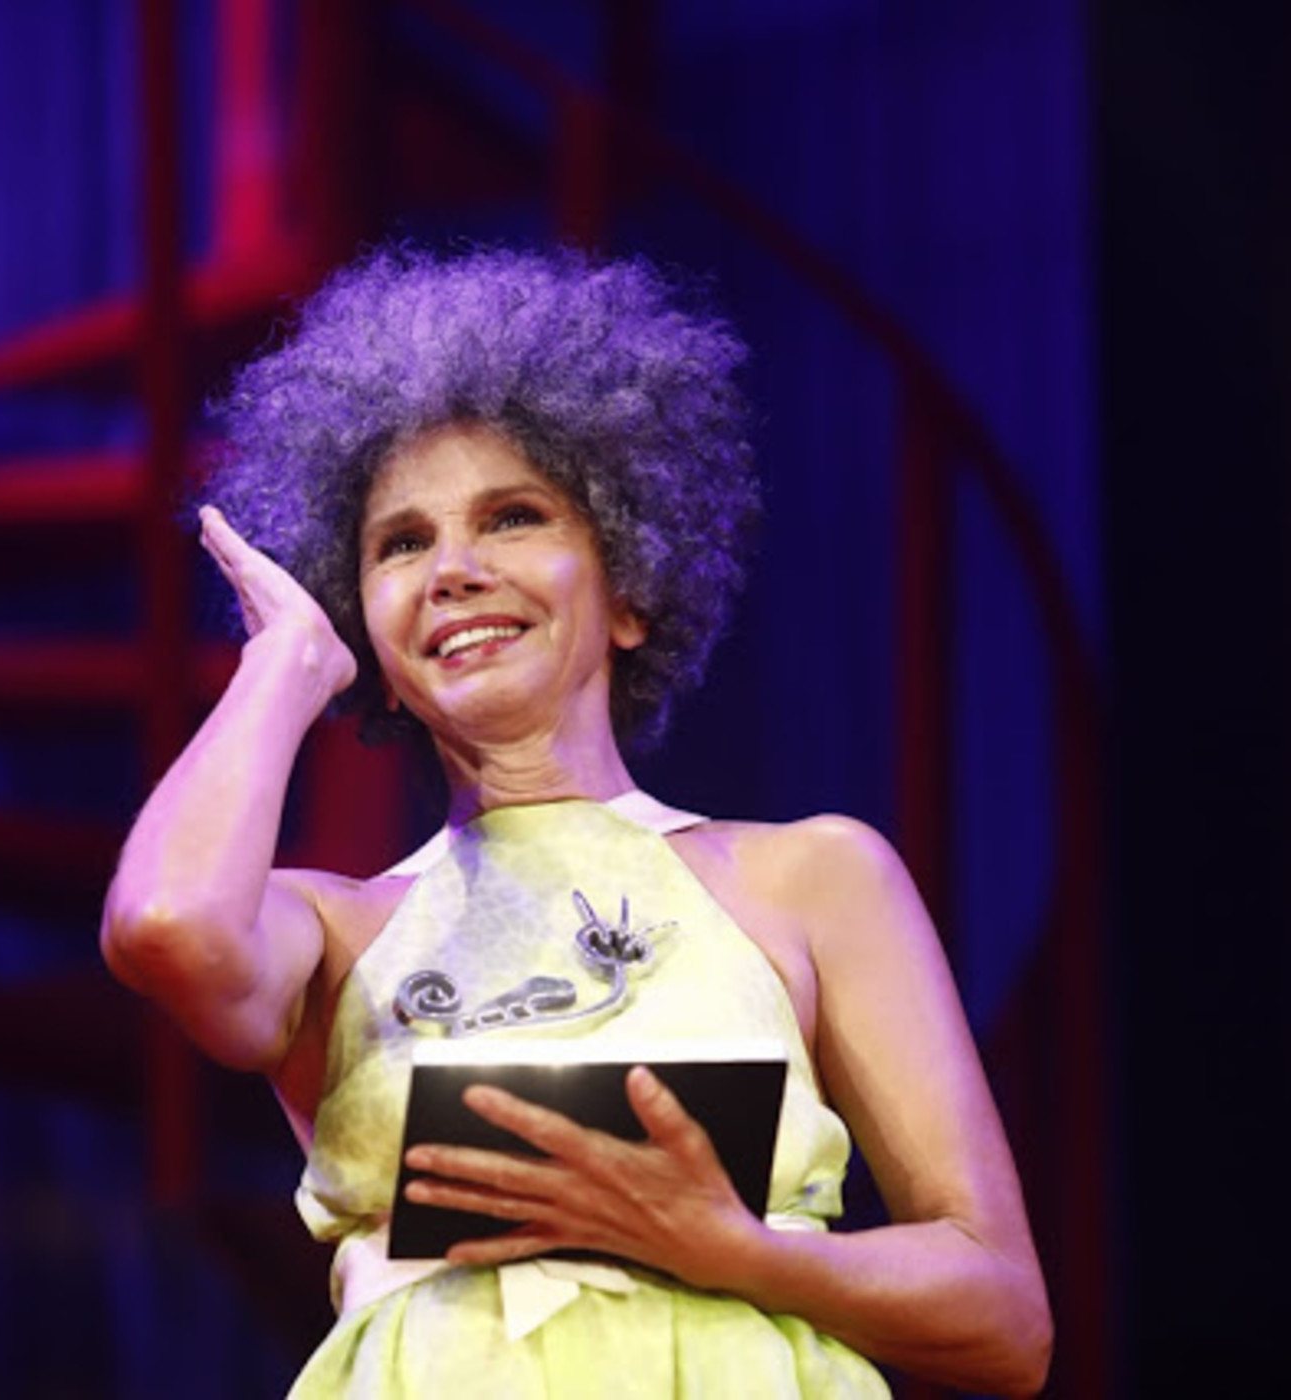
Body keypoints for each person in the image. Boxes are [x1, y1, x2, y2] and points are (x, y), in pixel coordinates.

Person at [100, 246, 1052, 1397]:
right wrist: (286, 662)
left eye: (512, 516)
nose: (452, 569)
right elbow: (166, 925)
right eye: (400, 543)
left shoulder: (811, 877)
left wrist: (729, 1249)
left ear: (630, 592)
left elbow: (1001, 1317)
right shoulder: (336, 929)